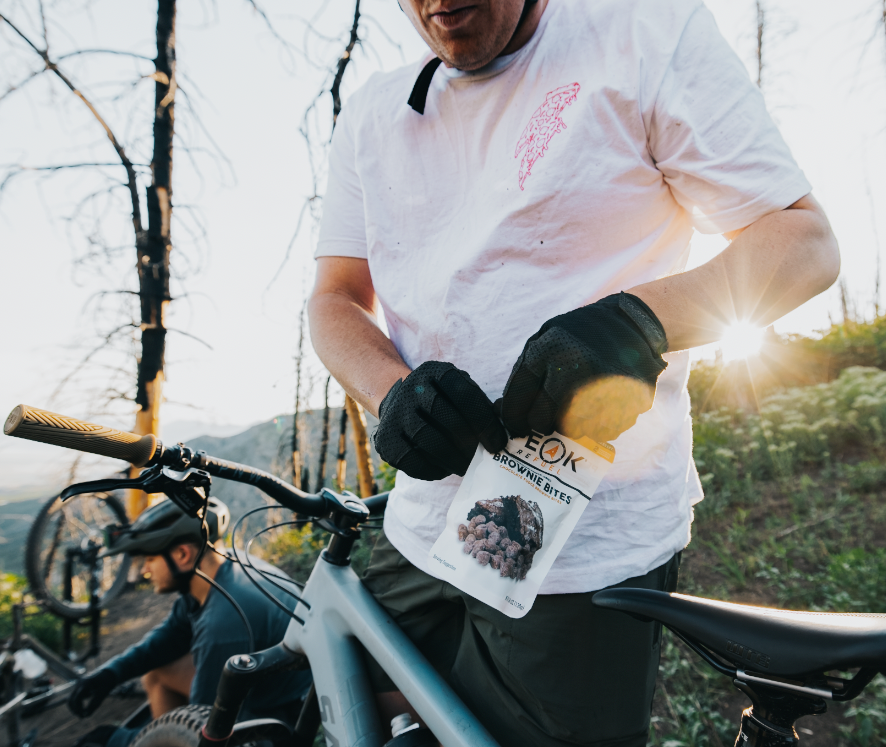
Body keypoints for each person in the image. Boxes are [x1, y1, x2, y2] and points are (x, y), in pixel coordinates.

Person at [308, 0, 840, 744]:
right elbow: (334, 298)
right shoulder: (372, 112)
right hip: (418, 526)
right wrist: (389, 390)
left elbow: (804, 240)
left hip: (580, 550)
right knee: (337, 710)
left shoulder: (646, 35)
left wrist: (638, 322)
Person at [67, 498, 311, 747]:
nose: (144, 572)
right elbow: (171, 636)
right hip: (274, 693)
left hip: (277, 727)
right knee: (157, 673)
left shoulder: (223, 624)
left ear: (182, 554)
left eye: (149, 560)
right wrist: (110, 674)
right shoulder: (220, 574)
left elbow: (204, 723)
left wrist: (118, 740)